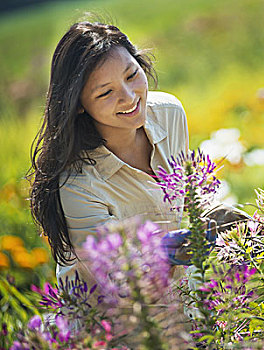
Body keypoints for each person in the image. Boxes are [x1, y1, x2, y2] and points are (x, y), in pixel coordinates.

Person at [29, 21, 191, 344]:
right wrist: (166, 250)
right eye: (106, 93)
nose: (130, 97)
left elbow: (185, 205)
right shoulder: (77, 183)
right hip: (107, 326)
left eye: (132, 75)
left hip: (176, 300)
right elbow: (116, 285)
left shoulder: (169, 114)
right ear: (78, 106)